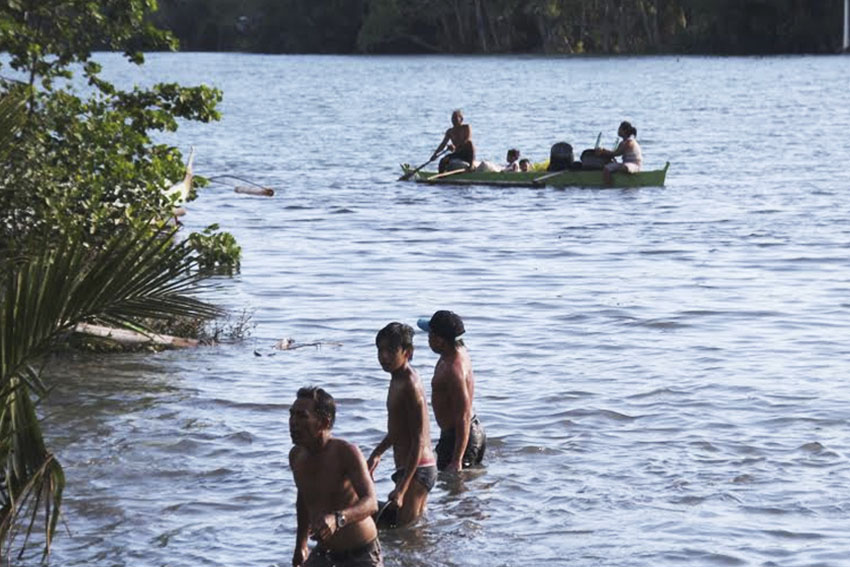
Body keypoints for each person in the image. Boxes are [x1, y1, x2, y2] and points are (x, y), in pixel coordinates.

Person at [289, 387, 383, 567]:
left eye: (302, 416)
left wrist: (338, 519)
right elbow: (304, 497)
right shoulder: (296, 456)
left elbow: (371, 503)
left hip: (361, 553)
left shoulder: (346, 453)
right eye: (292, 415)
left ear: (324, 422)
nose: (293, 422)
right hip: (325, 554)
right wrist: (301, 544)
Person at [367, 323, 437, 528]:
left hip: (419, 469)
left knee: (406, 533)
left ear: (407, 352)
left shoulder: (410, 384)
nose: (383, 356)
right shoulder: (396, 378)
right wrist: (377, 453)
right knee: (410, 528)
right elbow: (398, 429)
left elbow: (419, 439)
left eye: (391, 350)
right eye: (380, 350)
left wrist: (402, 489)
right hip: (409, 468)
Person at [417, 310, 485, 472]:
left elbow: (463, 417)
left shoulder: (454, 369)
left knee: (455, 484)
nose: (428, 340)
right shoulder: (453, 352)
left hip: (461, 437)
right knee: (454, 487)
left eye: (430, 336)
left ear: (440, 341)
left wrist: (457, 459)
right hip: (459, 434)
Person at [595, 121, 642, 185]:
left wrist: (603, 151)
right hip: (625, 163)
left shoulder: (629, 143)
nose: (618, 131)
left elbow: (617, 153)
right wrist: (603, 152)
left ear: (625, 131)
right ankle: (608, 185)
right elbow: (614, 154)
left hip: (634, 165)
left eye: (620, 129)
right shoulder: (622, 143)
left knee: (623, 167)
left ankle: (626, 180)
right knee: (607, 168)